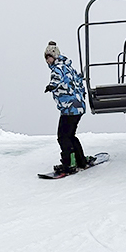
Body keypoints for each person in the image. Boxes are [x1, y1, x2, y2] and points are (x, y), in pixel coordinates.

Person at [43, 41, 90, 174]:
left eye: (49, 57)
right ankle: (81, 161)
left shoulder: (58, 68)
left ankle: (68, 164)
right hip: (78, 106)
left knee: (63, 136)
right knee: (70, 135)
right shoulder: (69, 67)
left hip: (69, 108)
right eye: (46, 58)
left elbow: (56, 79)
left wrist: (51, 85)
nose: (48, 60)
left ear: (55, 55)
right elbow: (79, 81)